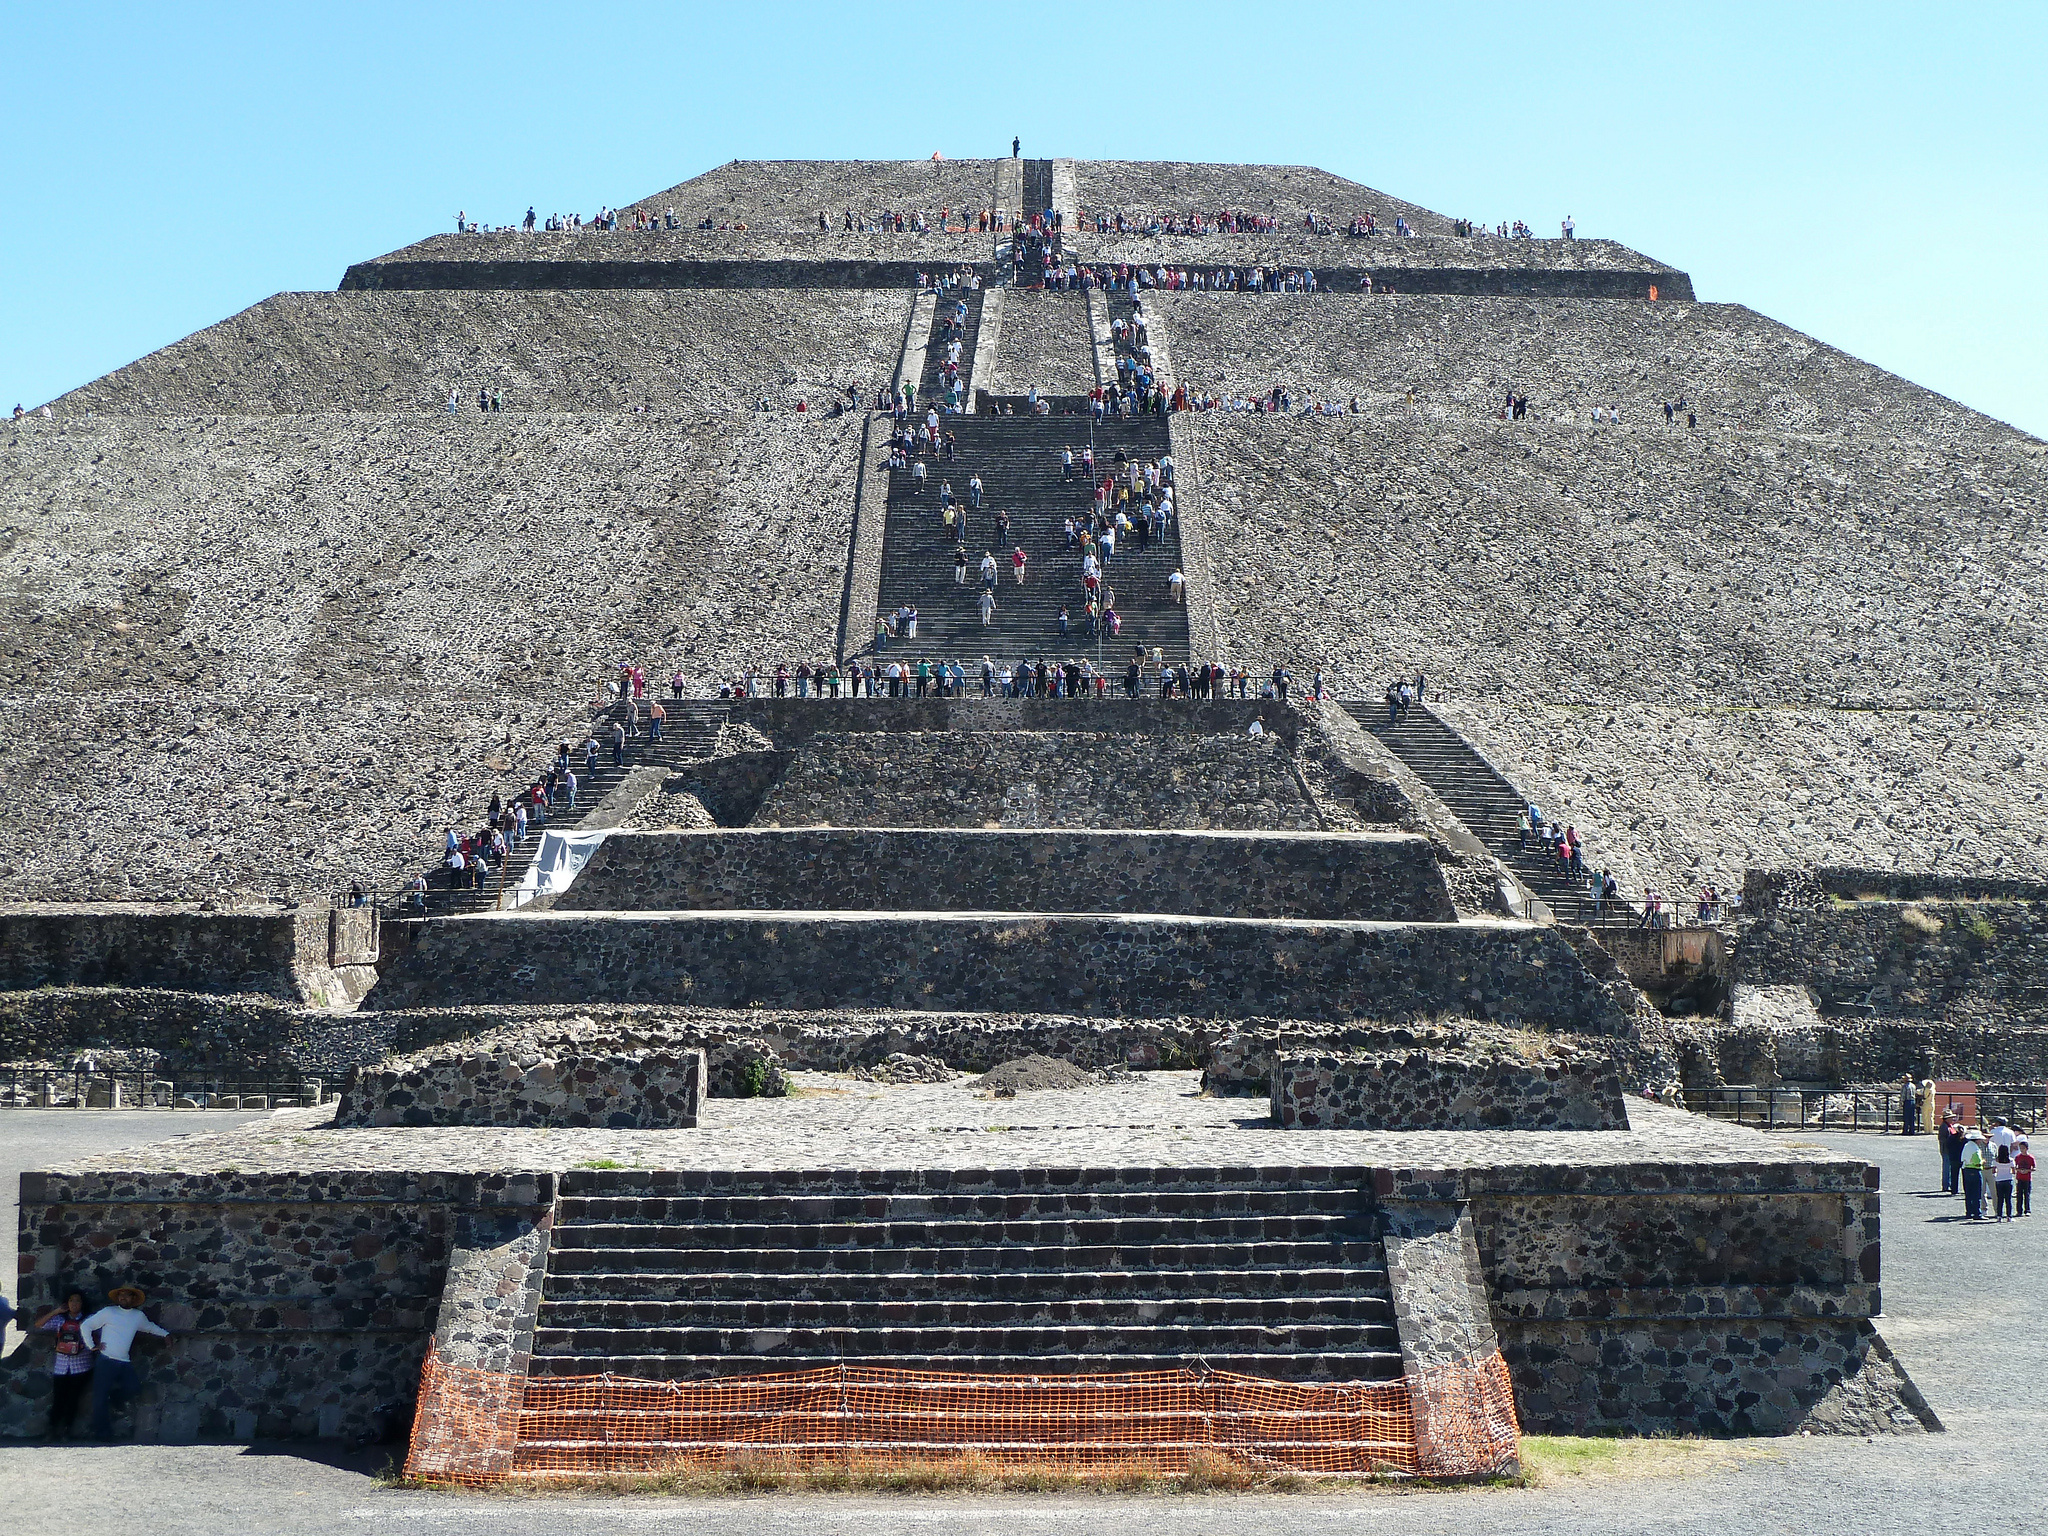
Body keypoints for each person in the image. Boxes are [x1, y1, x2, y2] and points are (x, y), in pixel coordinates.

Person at [82, 1285, 170, 1439]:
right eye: (121, 1295)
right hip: (106, 1360)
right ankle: (103, 1434)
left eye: (127, 1295)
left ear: (133, 1298)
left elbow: (150, 1328)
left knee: (134, 1388)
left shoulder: (138, 1316)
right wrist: (91, 1346)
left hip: (124, 1362)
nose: (123, 1298)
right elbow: (86, 1325)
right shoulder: (108, 1312)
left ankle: (115, 1398)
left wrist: (166, 1335)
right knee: (99, 1398)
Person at [35, 1290, 94, 1438]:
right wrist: (56, 1311)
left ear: (82, 1303)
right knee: (58, 1399)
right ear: (67, 1303)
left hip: (81, 1365)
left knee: (73, 1399)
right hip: (61, 1367)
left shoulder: (89, 1320)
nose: (74, 1304)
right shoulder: (60, 1320)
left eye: (77, 1301)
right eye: (71, 1301)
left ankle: (67, 1429)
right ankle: (52, 1429)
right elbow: (39, 1325)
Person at [1960, 1130, 1988, 1220]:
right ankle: (1977, 1213)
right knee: (1976, 1193)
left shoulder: (1967, 1146)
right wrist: (1983, 1161)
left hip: (1966, 1170)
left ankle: (1969, 1212)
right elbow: (1977, 1162)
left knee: (1968, 1193)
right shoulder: (1976, 1149)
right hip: (1975, 1170)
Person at [1939, 1111, 1962, 1194]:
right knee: (1946, 1168)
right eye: (1951, 1117)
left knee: (1949, 1168)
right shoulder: (1944, 1127)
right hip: (1946, 1150)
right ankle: (1945, 1185)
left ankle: (1948, 1184)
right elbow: (1942, 1139)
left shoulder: (1949, 1126)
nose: (1952, 1119)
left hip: (1950, 1150)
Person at [1993, 1143, 2017, 1221]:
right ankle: (2009, 1216)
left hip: (1999, 1180)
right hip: (2008, 1180)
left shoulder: (1996, 1160)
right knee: (2008, 1199)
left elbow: (1993, 1170)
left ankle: (1999, 1216)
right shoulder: (2011, 1160)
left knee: (2000, 1199)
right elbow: (2013, 1171)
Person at [2015, 1137, 2034, 1217]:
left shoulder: (2030, 1158)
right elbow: (2014, 1166)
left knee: (2027, 1195)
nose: (2022, 1150)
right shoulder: (2018, 1157)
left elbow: (2034, 1167)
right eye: (2021, 1148)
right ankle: (2019, 1211)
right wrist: (2019, 1170)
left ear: (2027, 1148)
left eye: (2023, 1148)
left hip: (2027, 1179)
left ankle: (2027, 1210)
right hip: (2019, 1178)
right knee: (2019, 1195)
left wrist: (2028, 1170)